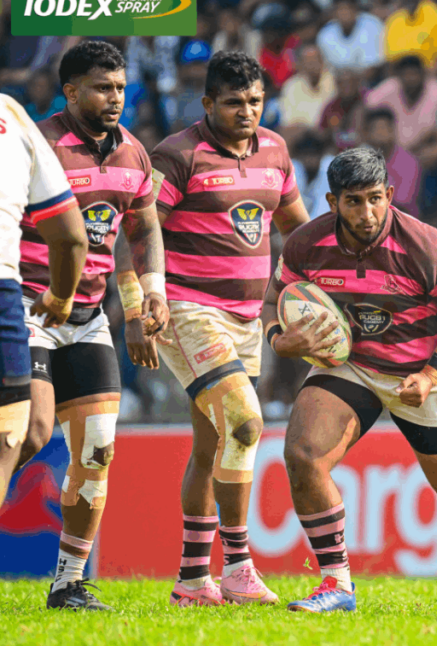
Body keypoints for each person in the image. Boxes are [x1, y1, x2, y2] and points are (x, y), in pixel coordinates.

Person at [262, 147, 437, 612]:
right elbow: (273, 299)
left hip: (423, 370)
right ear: (331, 202)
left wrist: (431, 373)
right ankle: (337, 584)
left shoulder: (426, 245)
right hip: (352, 364)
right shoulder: (306, 243)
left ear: (388, 194)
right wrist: (279, 339)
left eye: (374, 199)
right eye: (353, 202)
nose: (366, 214)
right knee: (302, 455)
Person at [118, 51, 310, 606]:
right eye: (233, 102)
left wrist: (343, 275)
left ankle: (193, 579)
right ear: (207, 104)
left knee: (214, 444)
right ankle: (240, 566)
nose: (246, 111)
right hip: (185, 310)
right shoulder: (177, 156)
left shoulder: (275, 149)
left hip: (247, 319)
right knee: (247, 422)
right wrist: (136, 308)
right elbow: (137, 230)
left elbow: (297, 231)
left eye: (254, 101)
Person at [11, 42, 165, 611]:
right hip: (30, 307)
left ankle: (68, 582)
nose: (115, 98)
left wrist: (150, 296)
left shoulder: (134, 156)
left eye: (121, 87)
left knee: (98, 452)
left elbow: (143, 231)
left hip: (89, 316)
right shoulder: (37, 145)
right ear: (71, 91)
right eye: (103, 87)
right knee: (29, 433)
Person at [0, 95, 87, 525]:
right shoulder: (11, 115)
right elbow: (72, 238)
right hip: (7, 294)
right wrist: (61, 296)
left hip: (17, 297)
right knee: (12, 436)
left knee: (32, 432)